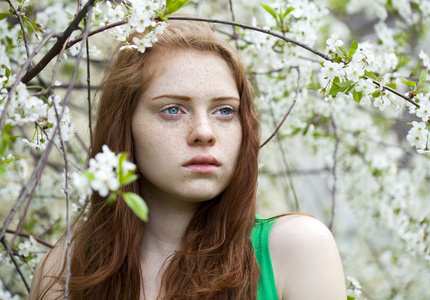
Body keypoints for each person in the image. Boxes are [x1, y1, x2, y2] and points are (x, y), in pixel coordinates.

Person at [30, 19, 346, 299]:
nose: (204, 132)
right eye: (173, 109)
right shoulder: (65, 271)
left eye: (225, 111)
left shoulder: (293, 250)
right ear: (123, 127)